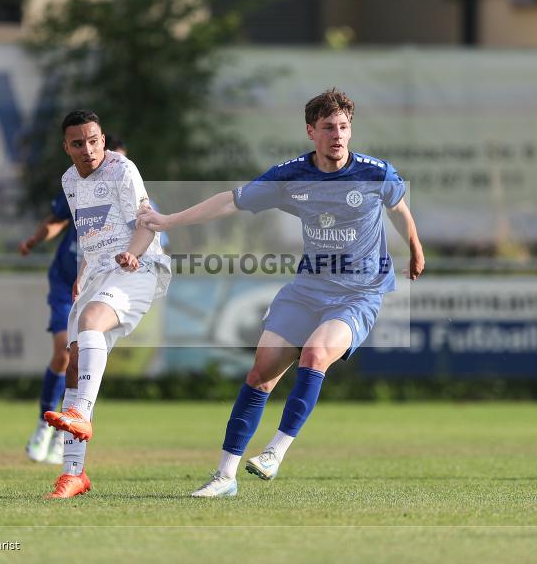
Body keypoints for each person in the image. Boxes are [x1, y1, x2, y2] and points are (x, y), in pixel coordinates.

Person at [137, 88, 425, 497]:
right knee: (260, 375)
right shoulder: (291, 175)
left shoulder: (375, 173)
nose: (338, 135)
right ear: (311, 131)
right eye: (328, 127)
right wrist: (168, 221)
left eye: (344, 127)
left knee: (315, 354)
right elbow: (230, 202)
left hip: (358, 294)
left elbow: (398, 208)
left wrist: (415, 247)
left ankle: (275, 451)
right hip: (306, 291)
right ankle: (225, 477)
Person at [42, 109, 171, 499]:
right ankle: (73, 474)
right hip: (98, 272)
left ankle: (81, 411)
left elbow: (146, 223)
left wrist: (133, 253)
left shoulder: (122, 170)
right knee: (74, 363)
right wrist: (83, 272)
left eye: (94, 140)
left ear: (102, 139)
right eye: (78, 143)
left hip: (138, 265)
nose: (88, 149)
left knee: (92, 321)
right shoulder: (69, 180)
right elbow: (91, 233)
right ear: (66, 147)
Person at [18, 191, 77, 465]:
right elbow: (58, 219)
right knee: (64, 352)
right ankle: (44, 425)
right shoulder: (80, 183)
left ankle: (64, 433)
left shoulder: (133, 192)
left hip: (99, 286)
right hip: (65, 283)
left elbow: (156, 237)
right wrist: (34, 240)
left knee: (81, 359)